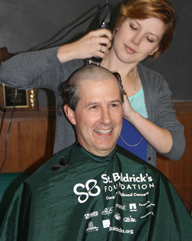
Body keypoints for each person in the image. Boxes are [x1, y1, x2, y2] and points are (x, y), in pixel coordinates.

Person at [0, 65, 191, 241]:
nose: (106, 119)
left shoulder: (151, 179)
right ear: (71, 114)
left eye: (113, 105)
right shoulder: (44, 188)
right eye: (94, 107)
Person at [0, 0, 185, 167]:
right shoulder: (71, 69)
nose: (136, 41)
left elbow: (175, 148)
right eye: (134, 27)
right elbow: (8, 74)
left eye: (149, 38)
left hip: (135, 194)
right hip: (79, 193)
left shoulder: (155, 84)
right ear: (119, 23)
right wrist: (71, 50)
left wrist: (132, 115)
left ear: (155, 49)